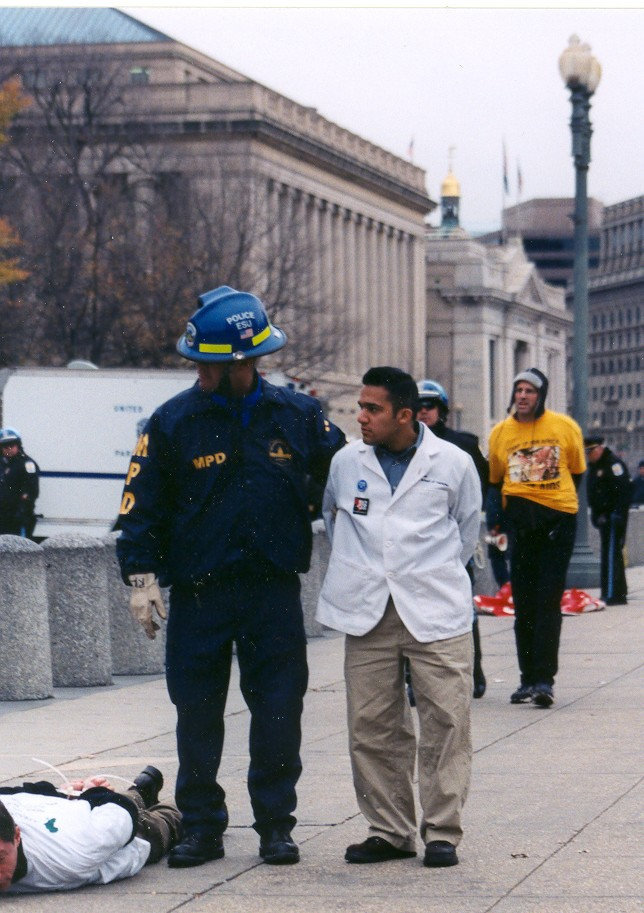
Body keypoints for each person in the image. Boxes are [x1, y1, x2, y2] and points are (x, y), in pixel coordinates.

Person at [116, 286, 345, 869]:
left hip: (272, 590)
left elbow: (344, 480)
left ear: (242, 362)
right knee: (196, 712)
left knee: (278, 709)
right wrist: (141, 579)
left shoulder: (299, 416)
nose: (199, 372)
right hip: (200, 592)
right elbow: (139, 506)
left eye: (208, 364)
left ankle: (275, 825)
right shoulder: (172, 422)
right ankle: (201, 826)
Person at [316, 366, 481, 868]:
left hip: (434, 608)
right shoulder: (347, 462)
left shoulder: (452, 463)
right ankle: (389, 829)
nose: (360, 417)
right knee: (371, 724)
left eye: (373, 409)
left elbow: (467, 529)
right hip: (368, 611)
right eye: (360, 407)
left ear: (405, 415)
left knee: (446, 721)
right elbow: (332, 516)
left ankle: (442, 832)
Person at [488, 368, 586, 708]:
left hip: (556, 523)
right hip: (521, 525)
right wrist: (497, 522)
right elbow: (495, 481)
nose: (523, 396)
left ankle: (545, 679)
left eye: (530, 390)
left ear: (541, 395)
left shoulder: (564, 427)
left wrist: (557, 508)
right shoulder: (501, 433)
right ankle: (526, 679)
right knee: (524, 604)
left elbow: (577, 470)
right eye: (518, 390)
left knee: (547, 601)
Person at [415, 379, 488, 698]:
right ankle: (415, 679)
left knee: (462, 609)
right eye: (416, 406)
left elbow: (481, 488)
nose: (423, 412)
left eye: (429, 406)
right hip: (415, 544)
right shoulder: (400, 445)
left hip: (454, 541)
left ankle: (474, 670)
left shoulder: (463, 445)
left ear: (441, 410)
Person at [0, 766, 181, 893]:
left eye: (0, 859)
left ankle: (160, 802)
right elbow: (16, 791)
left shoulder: (75, 852)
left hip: (126, 836)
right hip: (75, 821)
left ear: (17, 836)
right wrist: (61, 793)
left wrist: (92, 792)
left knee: (168, 821)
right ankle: (140, 791)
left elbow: (123, 811)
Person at [584, 435, 632, 606]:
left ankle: (613, 594)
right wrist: (597, 515)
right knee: (609, 555)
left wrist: (616, 513)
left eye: (590, 451)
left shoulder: (613, 464)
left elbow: (623, 490)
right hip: (604, 517)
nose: (588, 455)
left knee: (612, 555)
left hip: (613, 517)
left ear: (599, 449)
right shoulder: (596, 466)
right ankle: (611, 591)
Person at [0, 427, 39, 537]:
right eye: (5, 446)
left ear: (18, 445)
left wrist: (22, 510)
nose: (9, 448)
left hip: (19, 516)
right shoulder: (2, 463)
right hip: (2, 516)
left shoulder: (26, 464)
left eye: (12, 445)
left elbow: (32, 490)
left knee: (20, 550)